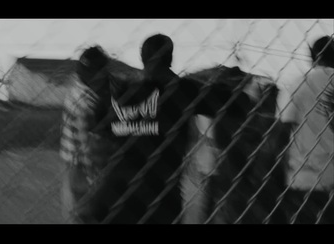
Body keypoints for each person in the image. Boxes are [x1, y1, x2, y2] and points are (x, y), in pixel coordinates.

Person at [74, 34, 254, 224]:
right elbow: (239, 103)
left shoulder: (122, 93)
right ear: (170, 58)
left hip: (112, 195)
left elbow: (99, 126)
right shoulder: (181, 90)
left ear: (142, 59)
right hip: (159, 197)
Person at [278, 35, 334, 224]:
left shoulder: (298, 84)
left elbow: (283, 131)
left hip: (305, 178)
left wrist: (277, 174)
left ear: (313, 56)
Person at [59, 45, 115, 223]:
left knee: (77, 213)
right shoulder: (86, 100)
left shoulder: (75, 85)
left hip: (70, 160)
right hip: (84, 166)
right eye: (102, 71)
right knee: (88, 213)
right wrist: (94, 174)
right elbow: (86, 142)